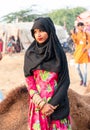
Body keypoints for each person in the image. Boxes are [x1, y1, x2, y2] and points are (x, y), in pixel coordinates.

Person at [24, 17, 71, 130]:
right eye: (35, 32)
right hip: (38, 106)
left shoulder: (59, 53)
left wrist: (52, 105)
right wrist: (41, 104)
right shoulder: (30, 54)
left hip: (57, 105)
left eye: (41, 30)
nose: (38, 34)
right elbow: (29, 80)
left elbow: (65, 81)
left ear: (49, 30)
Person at [71, 22, 90, 86]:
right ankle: (81, 79)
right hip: (78, 53)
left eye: (83, 26)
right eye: (81, 26)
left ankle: (84, 83)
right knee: (77, 68)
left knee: (85, 69)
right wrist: (73, 34)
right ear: (78, 27)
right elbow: (75, 41)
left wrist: (86, 48)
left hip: (84, 53)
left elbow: (89, 43)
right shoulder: (76, 34)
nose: (82, 27)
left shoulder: (86, 34)